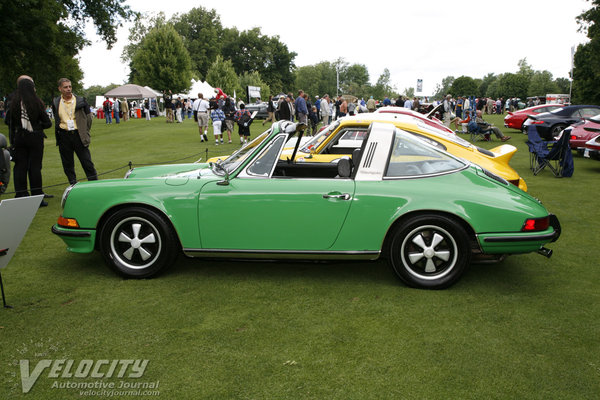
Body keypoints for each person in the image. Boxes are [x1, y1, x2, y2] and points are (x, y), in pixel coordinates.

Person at [5, 76, 52, 206]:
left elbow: (7, 122)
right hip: (35, 138)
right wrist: (36, 126)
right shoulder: (37, 102)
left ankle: (21, 195)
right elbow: (47, 123)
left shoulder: (13, 103)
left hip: (19, 138)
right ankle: (37, 197)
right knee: (35, 168)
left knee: (20, 167)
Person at [52, 78, 97, 185]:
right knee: (68, 164)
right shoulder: (56, 102)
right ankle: (73, 185)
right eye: (65, 87)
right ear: (60, 89)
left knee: (87, 163)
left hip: (78, 135)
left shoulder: (81, 100)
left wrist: (84, 131)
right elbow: (57, 118)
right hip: (64, 136)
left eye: (70, 86)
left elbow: (89, 118)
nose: (68, 89)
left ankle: (95, 185)